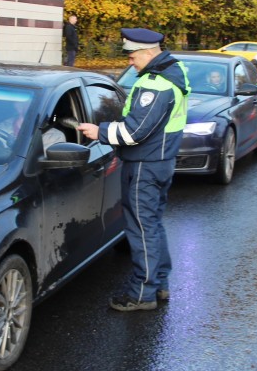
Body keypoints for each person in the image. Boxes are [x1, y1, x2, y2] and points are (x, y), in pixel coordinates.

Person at [77, 28, 189, 311]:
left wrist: (98, 130)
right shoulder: (174, 72)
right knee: (152, 224)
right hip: (160, 162)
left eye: (132, 55)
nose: (130, 61)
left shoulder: (155, 84)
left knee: (141, 229)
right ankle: (159, 283)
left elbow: (134, 132)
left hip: (145, 166)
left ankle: (142, 293)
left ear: (149, 53)